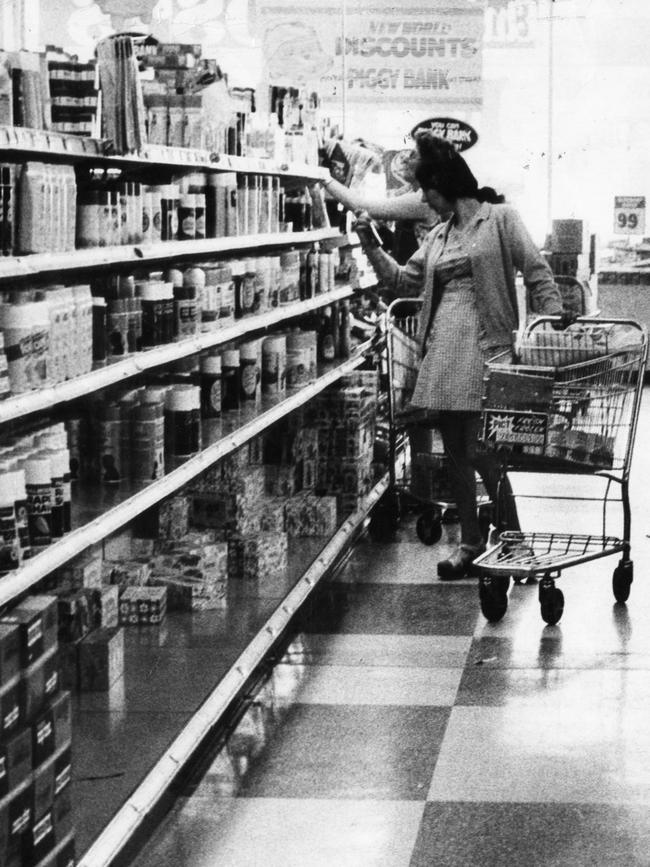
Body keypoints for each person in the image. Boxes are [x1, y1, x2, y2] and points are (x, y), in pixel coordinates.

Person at [354, 131, 565, 580]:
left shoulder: (500, 218)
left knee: (484, 450)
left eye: (426, 190)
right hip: (443, 352)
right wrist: (369, 242)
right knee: (454, 453)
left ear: (443, 185)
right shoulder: (438, 235)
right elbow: (403, 283)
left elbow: (535, 269)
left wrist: (550, 318)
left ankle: (515, 541)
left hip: (488, 348)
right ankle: (470, 543)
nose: (424, 200)